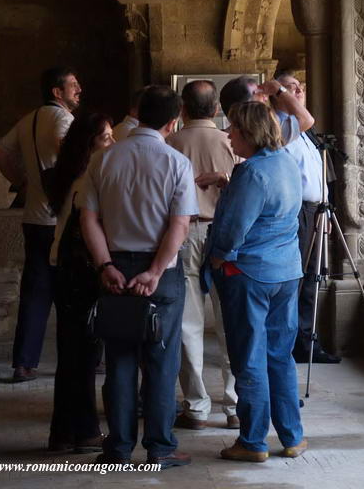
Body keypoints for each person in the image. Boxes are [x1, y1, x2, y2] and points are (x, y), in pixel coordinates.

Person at [79, 85, 198, 469]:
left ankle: (118, 448)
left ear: (136, 113)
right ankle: (160, 447)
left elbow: (89, 219)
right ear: (173, 120)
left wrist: (105, 266)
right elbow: (179, 226)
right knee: (162, 362)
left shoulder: (104, 159)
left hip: (115, 267)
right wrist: (155, 271)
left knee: (119, 362)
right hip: (159, 271)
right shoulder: (176, 162)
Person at [208, 101, 307, 462]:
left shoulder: (251, 171)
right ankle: (292, 436)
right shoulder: (286, 162)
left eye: (233, 128)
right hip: (286, 270)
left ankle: (252, 441)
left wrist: (218, 256)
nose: (228, 134)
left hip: (250, 273)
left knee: (249, 357)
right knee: (279, 356)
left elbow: (235, 228)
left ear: (249, 132)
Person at [0, 66, 81, 382]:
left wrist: (22, 181)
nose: (78, 89)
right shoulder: (62, 118)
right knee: (73, 292)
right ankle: (82, 358)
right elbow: (65, 149)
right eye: (72, 85)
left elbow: (0, 152)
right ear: (57, 92)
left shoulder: (28, 119)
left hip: (33, 217)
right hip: (61, 219)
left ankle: (24, 362)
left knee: (35, 292)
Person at [166, 80, 240, 430]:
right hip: (225, 234)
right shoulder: (233, 142)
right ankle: (236, 404)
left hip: (184, 233)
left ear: (183, 108)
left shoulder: (171, 143)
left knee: (188, 322)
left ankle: (195, 406)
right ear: (216, 109)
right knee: (231, 322)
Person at [46, 112, 114, 453]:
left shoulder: (68, 174)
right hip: (81, 272)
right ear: (90, 145)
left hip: (63, 269)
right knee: (85, 355)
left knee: (72, 354)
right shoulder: (87, 179)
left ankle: (62, 433)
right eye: (106, 138)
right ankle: (85, 431)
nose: (112, 144)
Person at [275, 71, 340, 364]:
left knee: (312, 278)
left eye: (301, 87)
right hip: (298, 211)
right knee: (298, 280)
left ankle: (306, 342)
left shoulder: (304, 134)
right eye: (291, 88)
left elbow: (316, 175)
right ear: (279, 94)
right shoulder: (281, 127)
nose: (299, 92)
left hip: (315, 211)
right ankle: (290, 343)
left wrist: (324, 209)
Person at [219, 75, 314, 143]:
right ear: (245, 105)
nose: (265, 96)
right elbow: (306, 120)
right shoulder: (265, 131)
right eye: (257, 92)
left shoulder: (227, 136)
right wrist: (279, 90)